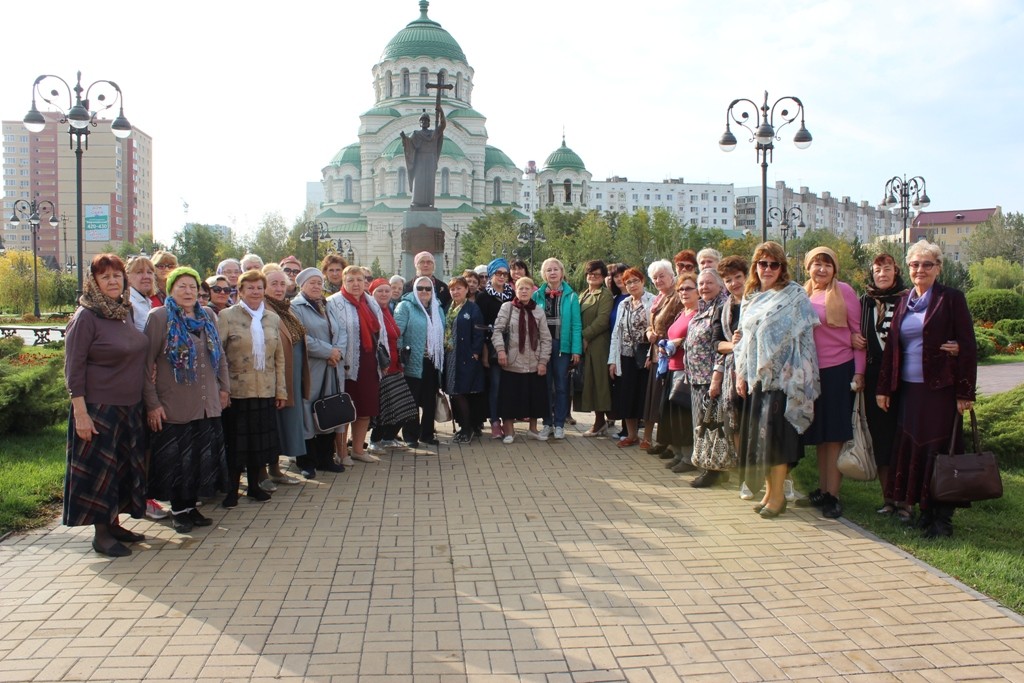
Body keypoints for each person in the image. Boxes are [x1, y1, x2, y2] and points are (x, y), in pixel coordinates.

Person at [876, 241, 977, 538]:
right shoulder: (905, 300)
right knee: (914, 450)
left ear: (938, 268)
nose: (920, 270)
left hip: (940, 390)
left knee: (939, 450)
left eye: (927, 264)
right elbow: (892, 348)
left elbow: (968, 345)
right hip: (908, 389)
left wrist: (965, 392)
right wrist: (884, 388)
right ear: (908, 269)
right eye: (915, 265)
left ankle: (942, 518)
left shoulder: (951, 299)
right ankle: (924, 512)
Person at [64, 253, 149, 557]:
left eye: (117, 276)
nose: (113, 281)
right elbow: (73, 368)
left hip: (129, 406)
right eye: (105, 277)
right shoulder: (86, 316)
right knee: (101, 471)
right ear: (94, 282)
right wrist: (81, 414)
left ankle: (113, 524)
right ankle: (101, 534)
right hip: (99, 409)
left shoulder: (123, 311)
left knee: (122, 470)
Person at [735, 242, 820, 519]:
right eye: (762, 264)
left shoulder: (794, 295)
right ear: (755, 267)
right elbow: (744, 340)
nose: (767, 269)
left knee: (778, 440)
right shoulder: (750, 297)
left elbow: (805, 337)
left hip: (784, 380)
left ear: (782, 268)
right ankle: (771, 494)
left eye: (774, 264)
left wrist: (797, 375)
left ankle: (779, 497)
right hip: (758, 379)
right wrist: (741, 373)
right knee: (763, 441)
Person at [143, 267, 229, 533]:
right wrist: (152, 403)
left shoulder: (208, 317)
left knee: (200, 458)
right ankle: (179, 510)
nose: (189, 291)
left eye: (193, 286)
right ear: (170, 289)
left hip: (206, 402)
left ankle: (192, 506)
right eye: (182, 286)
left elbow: (220, 357)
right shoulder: (159, 318)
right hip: (175, 403)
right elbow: (146, 365)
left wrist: (224, 388)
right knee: (178, 460)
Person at [801, 246, 866, 519]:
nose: (822, 269)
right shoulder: (802, 294)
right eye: (817, 264)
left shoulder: (845, 292)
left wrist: (859, 373)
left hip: (839, 370)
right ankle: (822, 489)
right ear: (808, 267)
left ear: (834, 269)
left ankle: (833, 495)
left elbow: (858, 335)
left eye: (827, 264)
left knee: (835, 436)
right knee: (820, 435)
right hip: (812, 373)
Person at [217, 269, 287, 507]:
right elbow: (219, 355)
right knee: (237, 442)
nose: (255, 292)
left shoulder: (272, 318)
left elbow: (279, 358)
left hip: (265, 389)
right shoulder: (227, 316)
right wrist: (222, 388)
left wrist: (281, 390)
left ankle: (255, 487)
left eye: (259, 288)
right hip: (237, 391)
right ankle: (232, 489)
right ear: (241, 291)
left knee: (260, 443)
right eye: (250, 288)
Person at [852, 254, 909, 518]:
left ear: (896, 271)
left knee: (904, 438)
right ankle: (888, 498)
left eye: (887, 269)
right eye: (877, 270)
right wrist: (853, 338)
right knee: (881, 439)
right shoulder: (864, 302)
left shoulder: (908, 300)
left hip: (905, 377)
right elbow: (851, 330)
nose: (882, 274)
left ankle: (906, 501)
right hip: (875, 377)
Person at [327, 265, 387, 462]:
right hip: (345, 365)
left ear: (365, 283)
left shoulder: (371, 302)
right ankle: (342, 453)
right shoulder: (334, 303)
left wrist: (384, 359)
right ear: (343, 282)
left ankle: (359, 449)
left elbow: (381, 331)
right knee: (345, 410)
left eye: (359, 280)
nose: (355, 284)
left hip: (369, 363)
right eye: (351, 280)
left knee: (365, 409)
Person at [291, 267, 346, 477]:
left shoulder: (326, 304)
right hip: (311, 368)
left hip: (331, 366)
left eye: (319, 282)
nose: (316, 286)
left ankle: (326, 458)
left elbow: (341, 331)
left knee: (328, 410)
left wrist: (338, 353)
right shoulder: (296, 307)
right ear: (302, 285)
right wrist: (328, 351)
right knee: (307, 412)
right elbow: (301, 336)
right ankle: (306, 462)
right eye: (311, 282)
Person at [261, 264, 308, 489]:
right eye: (274, 284)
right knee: (269, 425)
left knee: (283, 424)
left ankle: (276, 469)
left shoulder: (285, 308)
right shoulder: (262, 309)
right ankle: (265, 472)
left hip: (291, 376)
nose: (280, 288)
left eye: (283, 283)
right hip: (272, 378)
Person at [492, 277, 552, 443]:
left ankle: (533, 429)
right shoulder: (507, 308)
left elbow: (546, 338)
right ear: (516, 291)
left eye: (527, 288)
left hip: (533, 362)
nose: (524, 291)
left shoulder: (538, 311)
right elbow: (497, 331)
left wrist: (543, 361)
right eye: (521, 288)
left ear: (532, 290)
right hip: (512, 362)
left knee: (535, 398)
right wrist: (501, 351)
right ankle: (510, 432)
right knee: (509, 398)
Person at [683, 268, 728, 486]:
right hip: (696, 377)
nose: (704, 287)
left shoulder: (722, 307)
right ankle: (705, 464)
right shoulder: (703, 307)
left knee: (711, 426)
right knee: (701, 425)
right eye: (701, 283)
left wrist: (717, 377)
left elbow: (722, 344)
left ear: (720, 285)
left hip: (711, 378)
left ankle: (713, 470)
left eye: (709, 283)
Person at [710, 256, 751, 495]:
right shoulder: (723, 308)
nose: (734, 283)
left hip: (756, 373)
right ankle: (743, 475)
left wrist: (741, 344)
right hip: (732, 375)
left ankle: (769, 477)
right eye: (728, 280)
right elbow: (716, 343)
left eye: (738, 277)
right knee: (735, 424)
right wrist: (734, 345)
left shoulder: (756, 302)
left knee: (756, 425)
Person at [531, 258, 582, 440]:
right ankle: (547, 422)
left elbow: (576, 325)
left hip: (563, 346)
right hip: (543, 346)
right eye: (548, 270)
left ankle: (559, 423)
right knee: (545, 385)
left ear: (561, 272)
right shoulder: (537, 296)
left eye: (555, 269)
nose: (552, 273)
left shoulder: (571, 296)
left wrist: (576, 350)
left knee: (561, 386)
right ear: (544, 274)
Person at [395, 275, 447, 448]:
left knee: (430, 400)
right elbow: (397, 334)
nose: (424, 292)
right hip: (412, 361)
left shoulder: (437, 307)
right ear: (414, 290)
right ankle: (410, 435)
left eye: (428, 289)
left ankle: (427, 434)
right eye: (420, 288)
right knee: (412, 400)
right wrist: (401, 357)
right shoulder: (405, 307)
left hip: (432, 361)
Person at [367, 278, 418, 453]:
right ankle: (375, 440)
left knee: (404, 405)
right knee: (386, 406)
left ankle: (388, 438)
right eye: (379, 291)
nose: (384, 294)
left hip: (395, 364)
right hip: (382, 366)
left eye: (386, 291)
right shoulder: (372, 311)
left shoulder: (388, 310)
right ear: (372, 294)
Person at [608, 267, 656, 447]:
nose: (632, 285)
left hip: (645, 356)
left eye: (635, 281)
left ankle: (648, 437)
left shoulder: (653, 300)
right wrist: (612, 360)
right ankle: (632, 435)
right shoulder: (624, 304)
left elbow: (656, 329)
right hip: (626, 355)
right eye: (628, 282)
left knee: (646, 395)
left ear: (643, 281)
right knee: (627, 395)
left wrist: (653, 354)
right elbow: (616, 333)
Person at [659, 272, 700, 470]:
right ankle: (677, 452)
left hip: (688, 369)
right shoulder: (681, 313)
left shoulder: (699, 313)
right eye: (681, 289)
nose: (684, 292)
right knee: (672, 415)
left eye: (689, 288)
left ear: (698, 291)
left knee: (684, 415)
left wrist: (680, 342)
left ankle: (688, 457)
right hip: (672, 367)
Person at [641, 259, 680, 452]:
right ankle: (653, 439)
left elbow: (679, 323)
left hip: (671, 354)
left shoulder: (677, 297)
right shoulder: (658, 298)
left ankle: (668, 442)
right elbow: (651, 324)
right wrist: (649, 333)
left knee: (666, 399)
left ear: (672, 276)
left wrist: (661, 336)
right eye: (655, 278)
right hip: (656, 354)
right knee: (653, 398)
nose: (658, 280)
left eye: (661, 276)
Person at [475, 258, 516, 440]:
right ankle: (494, 421)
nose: (501, 276)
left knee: (508, 386)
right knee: (495, 385)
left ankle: (508, 421)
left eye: (504, 273)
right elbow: (481, 326)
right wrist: (484, 351)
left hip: (513, 346)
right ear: (491, 275)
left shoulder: (512, 295)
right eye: (498, 273)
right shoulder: (483, 297)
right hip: (492, 347)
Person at [444, 276, 485, 443]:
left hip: (466, 356)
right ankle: (464, 427)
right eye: (452, 289)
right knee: (454, 393)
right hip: (450, 356)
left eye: (459, 288)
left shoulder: (472, 308)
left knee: (463, 393)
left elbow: (479, 332)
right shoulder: (449, 307)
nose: (455, 292)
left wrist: (475, 352)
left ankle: (469, 428)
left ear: (467, 290)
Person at [578, 260, 614, 437]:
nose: (593, 277)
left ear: (603, 277)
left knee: (600, 382)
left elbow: (603, 319)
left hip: (598, 343)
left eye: (597, 274)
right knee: (590, 382)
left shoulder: (604, 295)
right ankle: (600, 420)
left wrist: (585, 335)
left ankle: (601, 421)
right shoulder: (583, 294)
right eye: (590, 273)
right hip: (585, 343)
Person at [401, 107, 446, 208]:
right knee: (419, 180)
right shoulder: (416, 134)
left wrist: (441, 112)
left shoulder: (434, 133)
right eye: (422, 120)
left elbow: (443, 125)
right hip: (420, 160)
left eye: (426, 120)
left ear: (429, 122)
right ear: (420, 122)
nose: (424, 122)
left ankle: (429, 202)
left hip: (430, 159)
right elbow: (409, 145)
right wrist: (404, 138)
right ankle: (416, 202)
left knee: (429, 181)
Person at [126, 255, 157, 333]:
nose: (146, 276)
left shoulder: (146, 301)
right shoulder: (128, 303)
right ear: (128, 277)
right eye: (139, 272)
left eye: (149, 272)